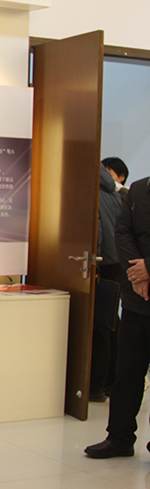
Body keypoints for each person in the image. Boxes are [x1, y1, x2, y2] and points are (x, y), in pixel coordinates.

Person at [85, 175, 150, 459]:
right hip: (136, 298)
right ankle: (119, 438)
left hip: (142, 280)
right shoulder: (139, 189)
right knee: (127, 375)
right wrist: (138, 273)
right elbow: (122, 232)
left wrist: (149, 268)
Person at [91, 164, 124, 402]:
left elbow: (98, 232)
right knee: (110, 323)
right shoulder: (112, 191)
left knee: (99, 327)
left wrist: (94, 263)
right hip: (115, 262)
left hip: (100, 263)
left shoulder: (92, 189)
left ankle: (95, 387)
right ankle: (111, 382)